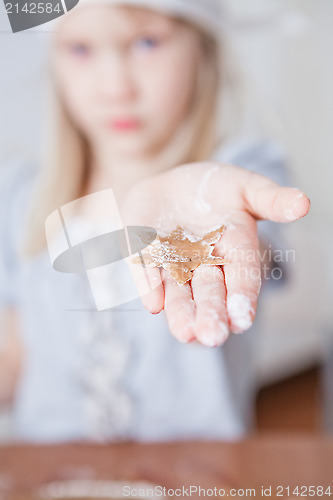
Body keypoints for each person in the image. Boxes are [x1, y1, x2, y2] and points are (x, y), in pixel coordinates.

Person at [0, 0, 310, 442]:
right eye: (81, 49)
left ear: (201, 49)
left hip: (196, 476)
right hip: (51, 479)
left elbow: (253, 253)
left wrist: (213, 239)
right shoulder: (19, 200)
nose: (115, 87)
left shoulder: (239, 174)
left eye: (147, 42)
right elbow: (14, 357)